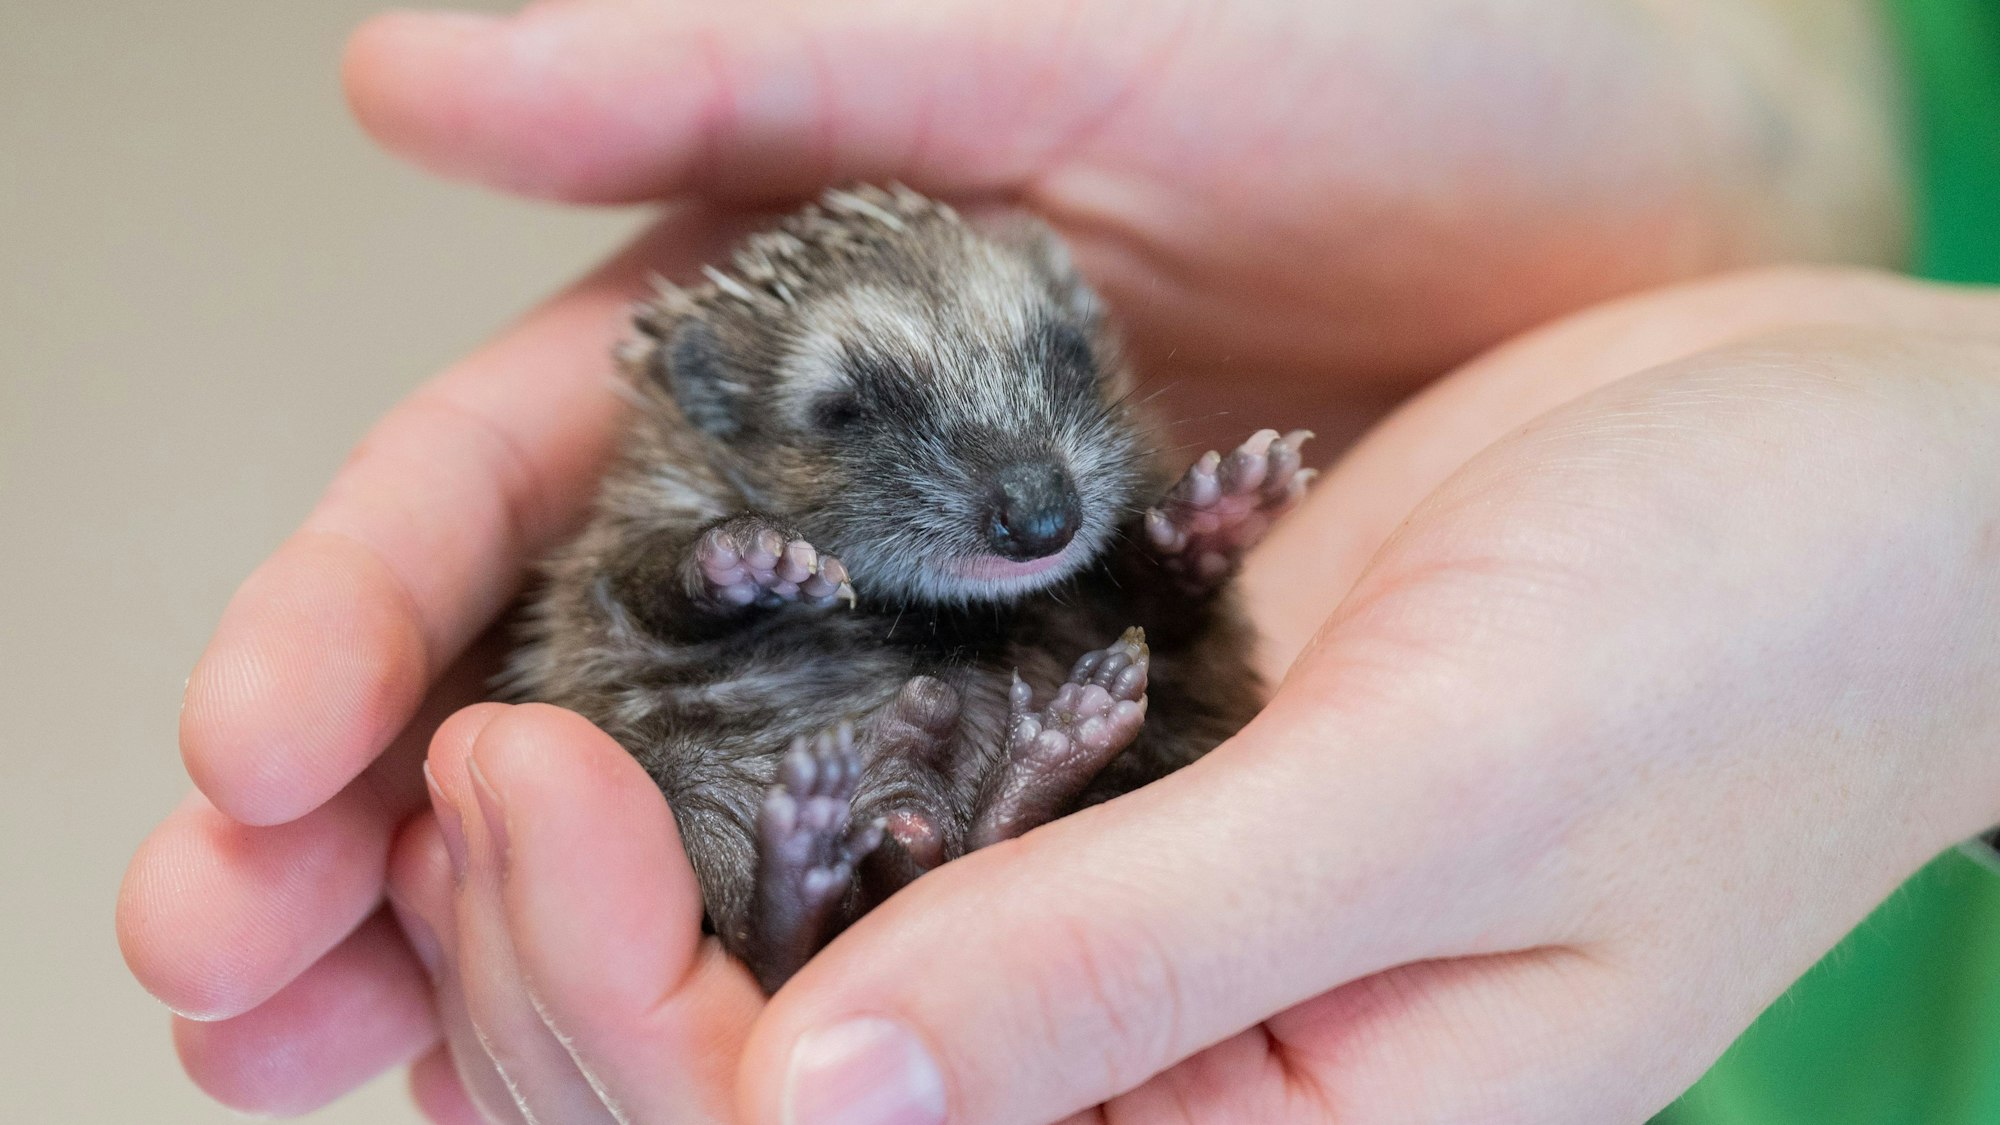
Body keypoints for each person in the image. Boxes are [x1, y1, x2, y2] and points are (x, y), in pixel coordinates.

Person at [115, 1, 2000, 1121]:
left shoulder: (1056, 526)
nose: (1022, 495)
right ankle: (891, 847)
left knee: (1163, 695)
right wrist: (1758, 139)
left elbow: (1135, 606)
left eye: (1051, 374)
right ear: (706, 401)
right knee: (653, 781)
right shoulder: (687, 507)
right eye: (859, 417)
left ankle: (1006, 795)